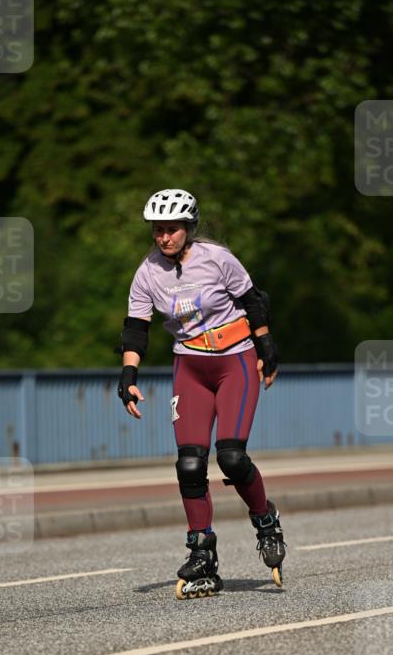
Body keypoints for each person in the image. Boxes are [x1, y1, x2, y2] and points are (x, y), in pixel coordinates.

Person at [118, 188, 286, 599]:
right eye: (158, 230)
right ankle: (202, 553)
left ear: (189, 228)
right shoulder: (147, 273)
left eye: (172, 229)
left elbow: (253, 301)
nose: (164, 237)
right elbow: (136, 328)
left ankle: (265, 521)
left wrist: (266, 346)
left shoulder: (217, 258)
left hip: (235, 361)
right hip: (190, 367)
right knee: (190, 464)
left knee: (231, 457)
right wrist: (128, 374)